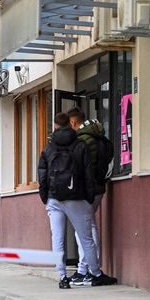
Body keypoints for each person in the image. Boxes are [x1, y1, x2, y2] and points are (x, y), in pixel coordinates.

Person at [38, 112, 118, 289]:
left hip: (54, 198)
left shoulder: (48, 148)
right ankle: (96, 274)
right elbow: (87, 174)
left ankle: (62, 277)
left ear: (55, 127)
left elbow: (42, 174)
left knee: (57, 239)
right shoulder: (80, 145)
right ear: (70, 124)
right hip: (76, 198)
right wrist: (88, 197)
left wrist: (45, 196)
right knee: (86, 238)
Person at [67, 106, 106, 286]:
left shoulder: (82, 140)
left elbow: (83, 168)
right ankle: (87, 268)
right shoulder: (95, 136)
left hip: (87, 191)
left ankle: (87, 269)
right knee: (86, 229)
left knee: (86, 230)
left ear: (73, 122)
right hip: (96, 188)